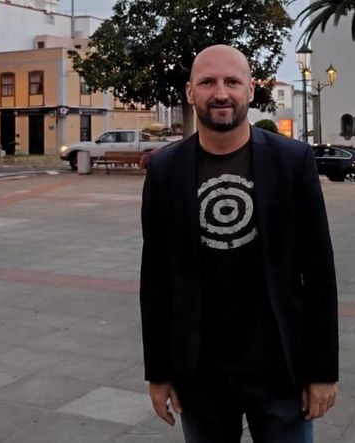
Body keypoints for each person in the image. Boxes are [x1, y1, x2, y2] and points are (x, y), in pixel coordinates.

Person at [140, 44, 339, 442]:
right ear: (189, 92)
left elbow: (319, 272)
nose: (220, 93)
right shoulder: (164, 170)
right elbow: (156, 279)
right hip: (200, 375)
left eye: (232, 81)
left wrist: (322, 372)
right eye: (207, 82)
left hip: (281, 371)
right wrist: (158, 372)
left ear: (250, 90)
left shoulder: (293, 161)